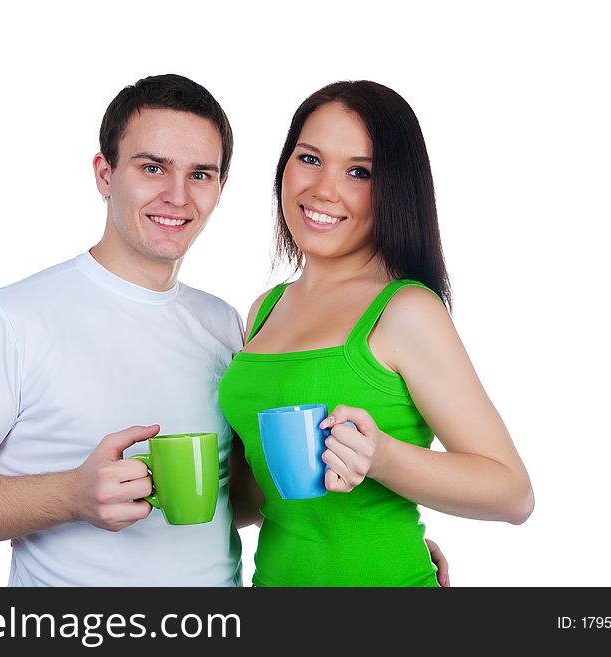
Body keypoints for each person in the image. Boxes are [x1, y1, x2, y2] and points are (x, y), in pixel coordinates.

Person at [0, 73, 450, 586]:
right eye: (152, 167)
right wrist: (71, 495)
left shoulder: (226, 324)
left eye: (200, 174)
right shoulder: (7, 320)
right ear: (104, 174)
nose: (178, 196)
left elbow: (242, 500)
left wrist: (382, 551)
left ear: (220, 188)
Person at [219, 80, 533, 586]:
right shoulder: (264, 309)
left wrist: (382, 457)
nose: (323, 189)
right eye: (310, 158)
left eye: (359, 172)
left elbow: (513, 494)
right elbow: (256, 504)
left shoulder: (406, 310)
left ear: (393, 189)